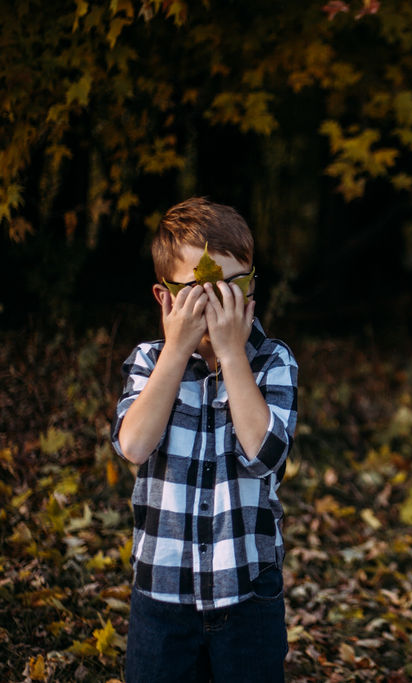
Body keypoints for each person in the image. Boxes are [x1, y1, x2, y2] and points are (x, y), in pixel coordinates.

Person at [111, 197, 297, 682]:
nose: (218, 305)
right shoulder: (150, 361)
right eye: (200, 291)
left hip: (248, 592)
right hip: (162, 593)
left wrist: (234, 356)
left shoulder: (273, 361)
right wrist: (176, 351)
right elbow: (133, 446)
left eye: (233, 288)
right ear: (165, 296)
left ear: (252, 288)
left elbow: (267, 455)